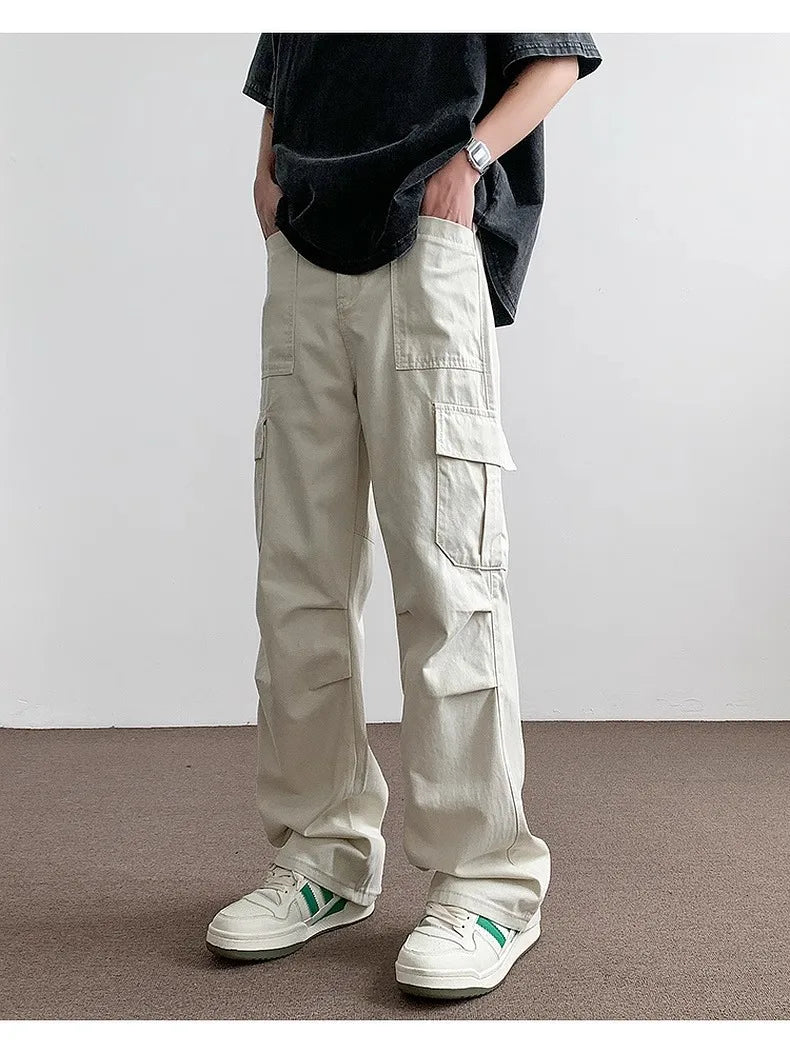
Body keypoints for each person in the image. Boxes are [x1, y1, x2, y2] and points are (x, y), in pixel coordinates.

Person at [206, 33, 601, 1000]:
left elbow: (556, 57)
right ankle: (322, 858)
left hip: (425, 239)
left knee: (446, 580)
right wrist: (266, 177)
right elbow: (282, 67)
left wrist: (470, 164)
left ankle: (488, 885)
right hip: (304, 249)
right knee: (297, 583)